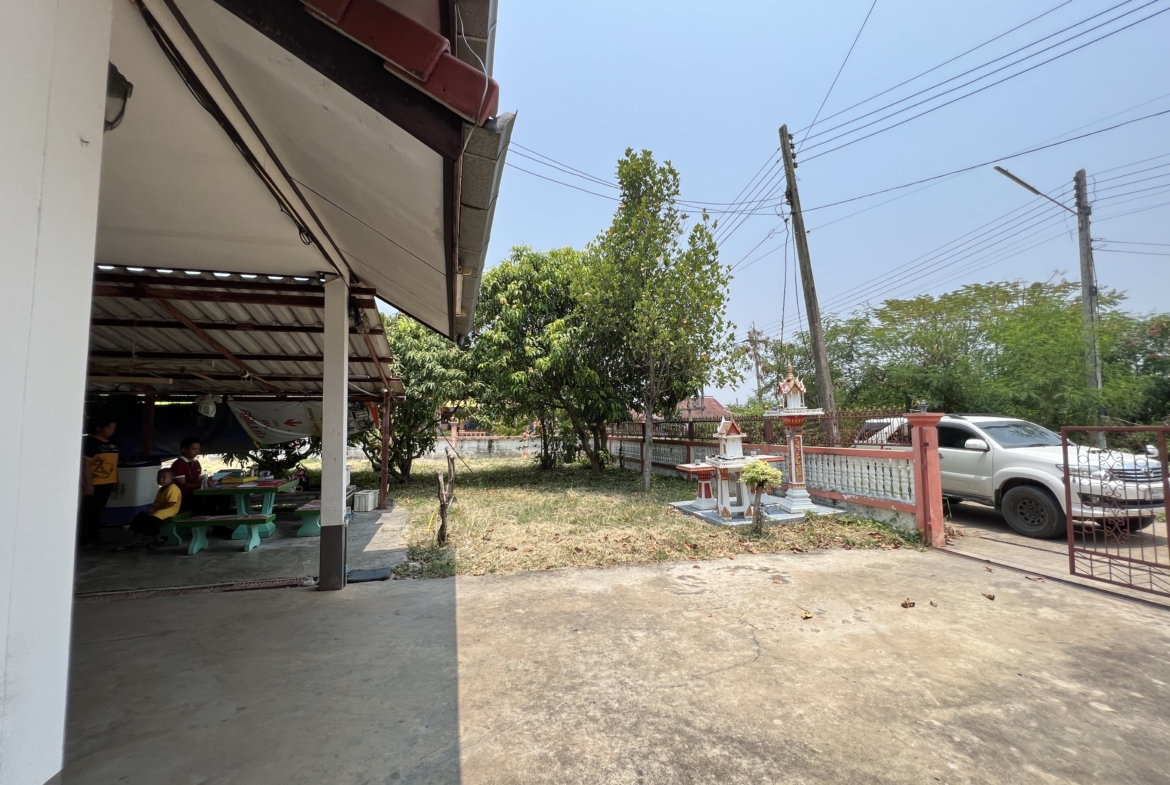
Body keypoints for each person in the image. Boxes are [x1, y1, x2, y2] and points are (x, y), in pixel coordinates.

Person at [79, 416, 119, 550]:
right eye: (109, 428)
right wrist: (88, 483)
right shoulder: (91, 443)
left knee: (98, 510)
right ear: (99, 428)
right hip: (95, 482)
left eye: (113, 428)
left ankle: (95, 537)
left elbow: (114, 463)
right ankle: (83, 539)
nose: (112, 430)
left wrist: (116, 479)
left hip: (108, 481)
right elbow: (85, 465)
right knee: (88, 511)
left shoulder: (113, 442)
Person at [119, 467, 182, 550]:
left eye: (164, 477)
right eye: (159, 478)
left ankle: (158, 539)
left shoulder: (173, 488)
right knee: (140, 517)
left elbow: (171, 503)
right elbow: (157, 502)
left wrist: (154, 509)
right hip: (158, 509)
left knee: (151, 521)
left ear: (172, 477)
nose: (161, 480)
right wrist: (150, 509)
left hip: (169, 510)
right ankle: (136, 539)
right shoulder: (161, 489)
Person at [171, 436, 204, 510]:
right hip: (185, 499)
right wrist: (202, 484)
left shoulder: (196, 463)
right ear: (184, 449)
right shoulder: (179, 464)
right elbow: (182, 485)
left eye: (198, 449)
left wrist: (209, 480)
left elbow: (198, 479)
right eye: (194, 449)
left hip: (196, 495)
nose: (197, 452)